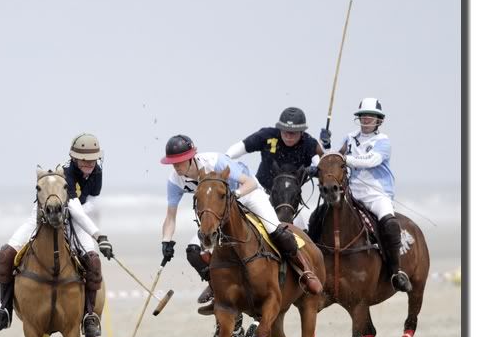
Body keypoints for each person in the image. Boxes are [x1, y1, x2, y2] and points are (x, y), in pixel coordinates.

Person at [159, 134, 323, 301]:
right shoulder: (174, 181)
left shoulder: (215, 161)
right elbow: (171, 216)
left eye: (180, 161)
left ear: (191, 157)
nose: (176, 166)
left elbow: (249, 183)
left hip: (248, 195)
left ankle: (306, 271)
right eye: (173, 162)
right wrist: (166, 241)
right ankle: (216, 287)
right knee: (194, 251)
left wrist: (233, 196)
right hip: (222, 211)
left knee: (275, 230)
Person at [0, 133, 114, 337]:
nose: (89, 165)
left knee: (93, 261)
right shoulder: (66, 175)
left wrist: (96, 234)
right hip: (42, 216)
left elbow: (87, 204)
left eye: (92, 160)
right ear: (74, 158)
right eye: (84, 161)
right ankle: (4, 310)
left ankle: (90, 316)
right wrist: (99, 236)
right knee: (4, 255)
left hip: (76, 218)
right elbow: (73, 206)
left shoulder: (97, 172)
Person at [339, 98, 412, 293]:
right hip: (352, 193)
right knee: (323, 216)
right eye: (363, 116)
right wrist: (326, 145)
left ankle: (396, 272)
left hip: (377, 195)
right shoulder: (349, 138)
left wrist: (345, 159)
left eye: (371, 116)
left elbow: (371, 160)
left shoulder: (383, 142)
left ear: (379, 120)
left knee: (389, 223)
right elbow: (335, 159)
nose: (366, 119)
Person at [225, 107, 330, 194]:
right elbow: (242, 147)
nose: (288, 136)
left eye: (293, 133)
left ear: (301, 132)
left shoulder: (309, 143)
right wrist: (225, 159)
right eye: (285, 132)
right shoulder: (267, 135)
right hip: (260, 192)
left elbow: (325, 169)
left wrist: (325, 146)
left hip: (290, 201)